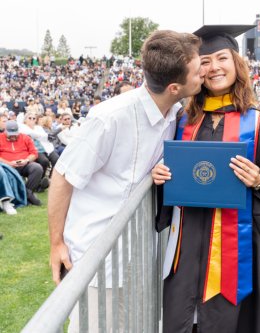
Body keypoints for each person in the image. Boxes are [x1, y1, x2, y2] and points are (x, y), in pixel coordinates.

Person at [47, 29, 205, 333]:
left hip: (136, 252)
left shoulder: (174, 113)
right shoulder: (109, 118)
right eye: (198, 71)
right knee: (95, 326)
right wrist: (56, 244)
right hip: (94, 257)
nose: (204, 74)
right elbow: (63, 176)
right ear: (174, 86)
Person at [152, 25, 260, 333]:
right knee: (182, 318)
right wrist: (159, 175)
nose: (213, 67)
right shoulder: (181, 120)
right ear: (195, 69)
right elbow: (165, 167)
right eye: (205, 60)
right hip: (187, 238)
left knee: (233, 321)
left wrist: (259, 180)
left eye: (222, 58)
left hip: (236, 243)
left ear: (236, 63)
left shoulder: (257, 123)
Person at [0, 120, 43, 206]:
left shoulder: (25, 137)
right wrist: (8, 163)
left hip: (24, 164)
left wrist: (26, 160)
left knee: (37, 168)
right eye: (10, 134)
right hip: (7, 166)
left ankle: (27, 192)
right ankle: (28, 195)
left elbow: (34, 153)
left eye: (15, 134)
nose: (13, 136)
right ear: (5, 130)